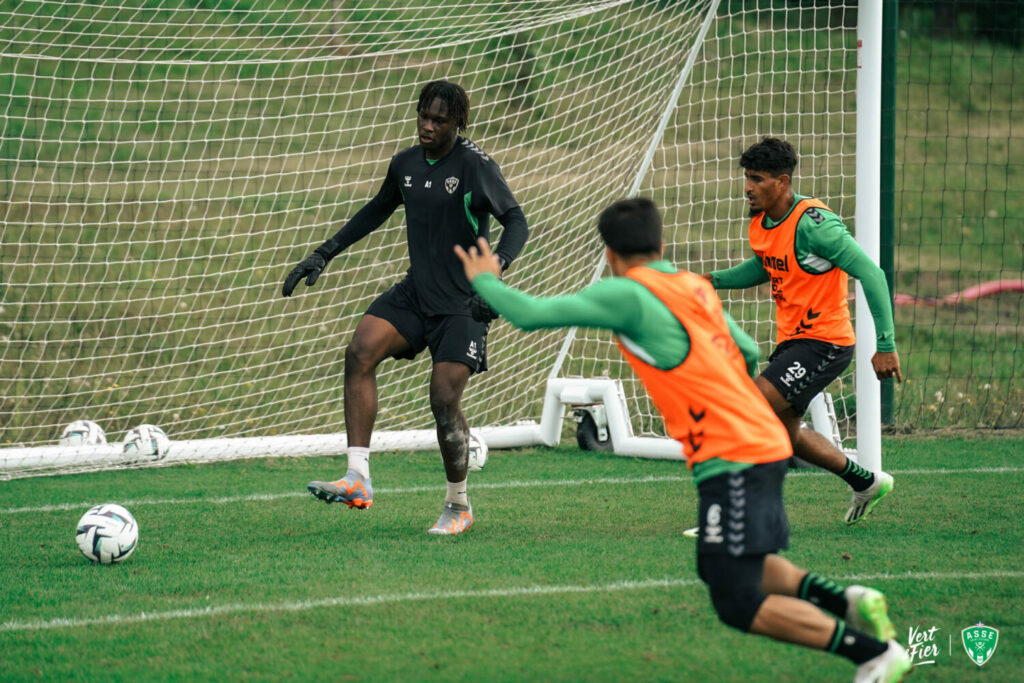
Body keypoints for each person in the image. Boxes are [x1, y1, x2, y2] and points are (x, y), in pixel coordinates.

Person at [455, 198, 912, 682]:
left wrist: (484, 277)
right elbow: (748, 348)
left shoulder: (629, 293)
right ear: (662, 243)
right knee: (729, 565)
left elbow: (529, 314)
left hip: (736, 453)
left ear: (610, 254)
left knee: (735, 600)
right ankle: (847, 601)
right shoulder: (691, 286)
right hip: (754, 445)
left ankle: (872, 653)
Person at [282, 80, 529, 535]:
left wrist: (495, 275)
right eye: (423, 116)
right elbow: (376, 210)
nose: (427, 127)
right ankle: (358, 477)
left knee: (442, 398)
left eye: (439, 120)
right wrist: (324, 252)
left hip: (464, 303)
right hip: (419, 292)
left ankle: (458, 506)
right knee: (360, 351)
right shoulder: (406, 164)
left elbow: (516, 220)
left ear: (459, 123)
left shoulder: (475, 167)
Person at [703, 137, 902, 525]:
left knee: (745, 409)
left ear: (782, 181)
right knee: (785, 432)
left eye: (757, 179)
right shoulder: (761, 222)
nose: (748, 187)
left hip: (824, 341)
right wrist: (711, 280)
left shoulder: (817, 225)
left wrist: (885, 345)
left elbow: (872, 275)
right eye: (746, 177)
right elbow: (766, 266)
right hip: (794, 341)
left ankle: (731, 513)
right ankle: (865, 482)